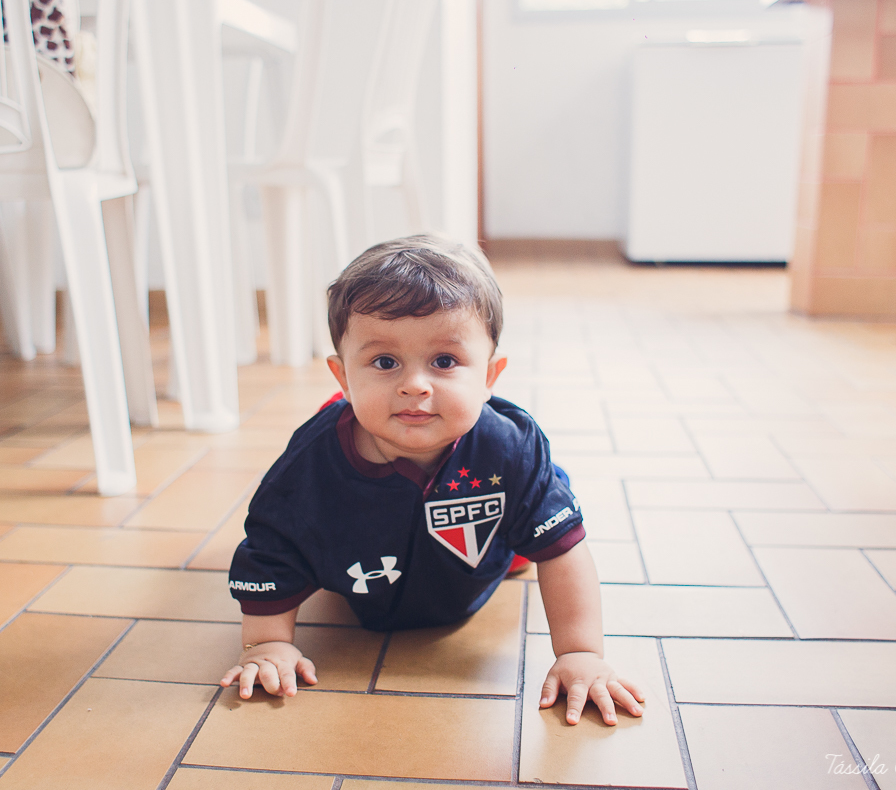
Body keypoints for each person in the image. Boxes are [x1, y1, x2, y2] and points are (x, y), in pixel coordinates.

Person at [220, 234, 645, 726]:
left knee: (539, 520)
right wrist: (266, 643)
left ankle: (515, 536)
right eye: (385, 362)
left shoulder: (511, 448)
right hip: (358, 560)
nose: (414, 385)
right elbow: (270, 546)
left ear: (490, 377)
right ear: (342, 377)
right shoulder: (308, 467)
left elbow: (564, 549)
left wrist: (581, 652)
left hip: (488, 530)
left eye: (444, 362)